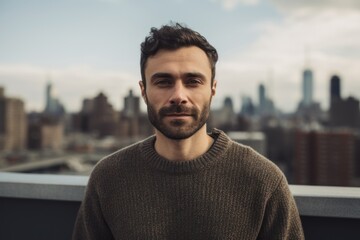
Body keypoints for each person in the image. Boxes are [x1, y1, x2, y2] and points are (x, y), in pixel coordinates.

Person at [72, 22, 304, 239]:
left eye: (193, 81)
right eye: (163, 82)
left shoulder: (264, 181)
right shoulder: (108, 178)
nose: (179, 96)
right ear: (143, 91)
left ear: (213, 89)